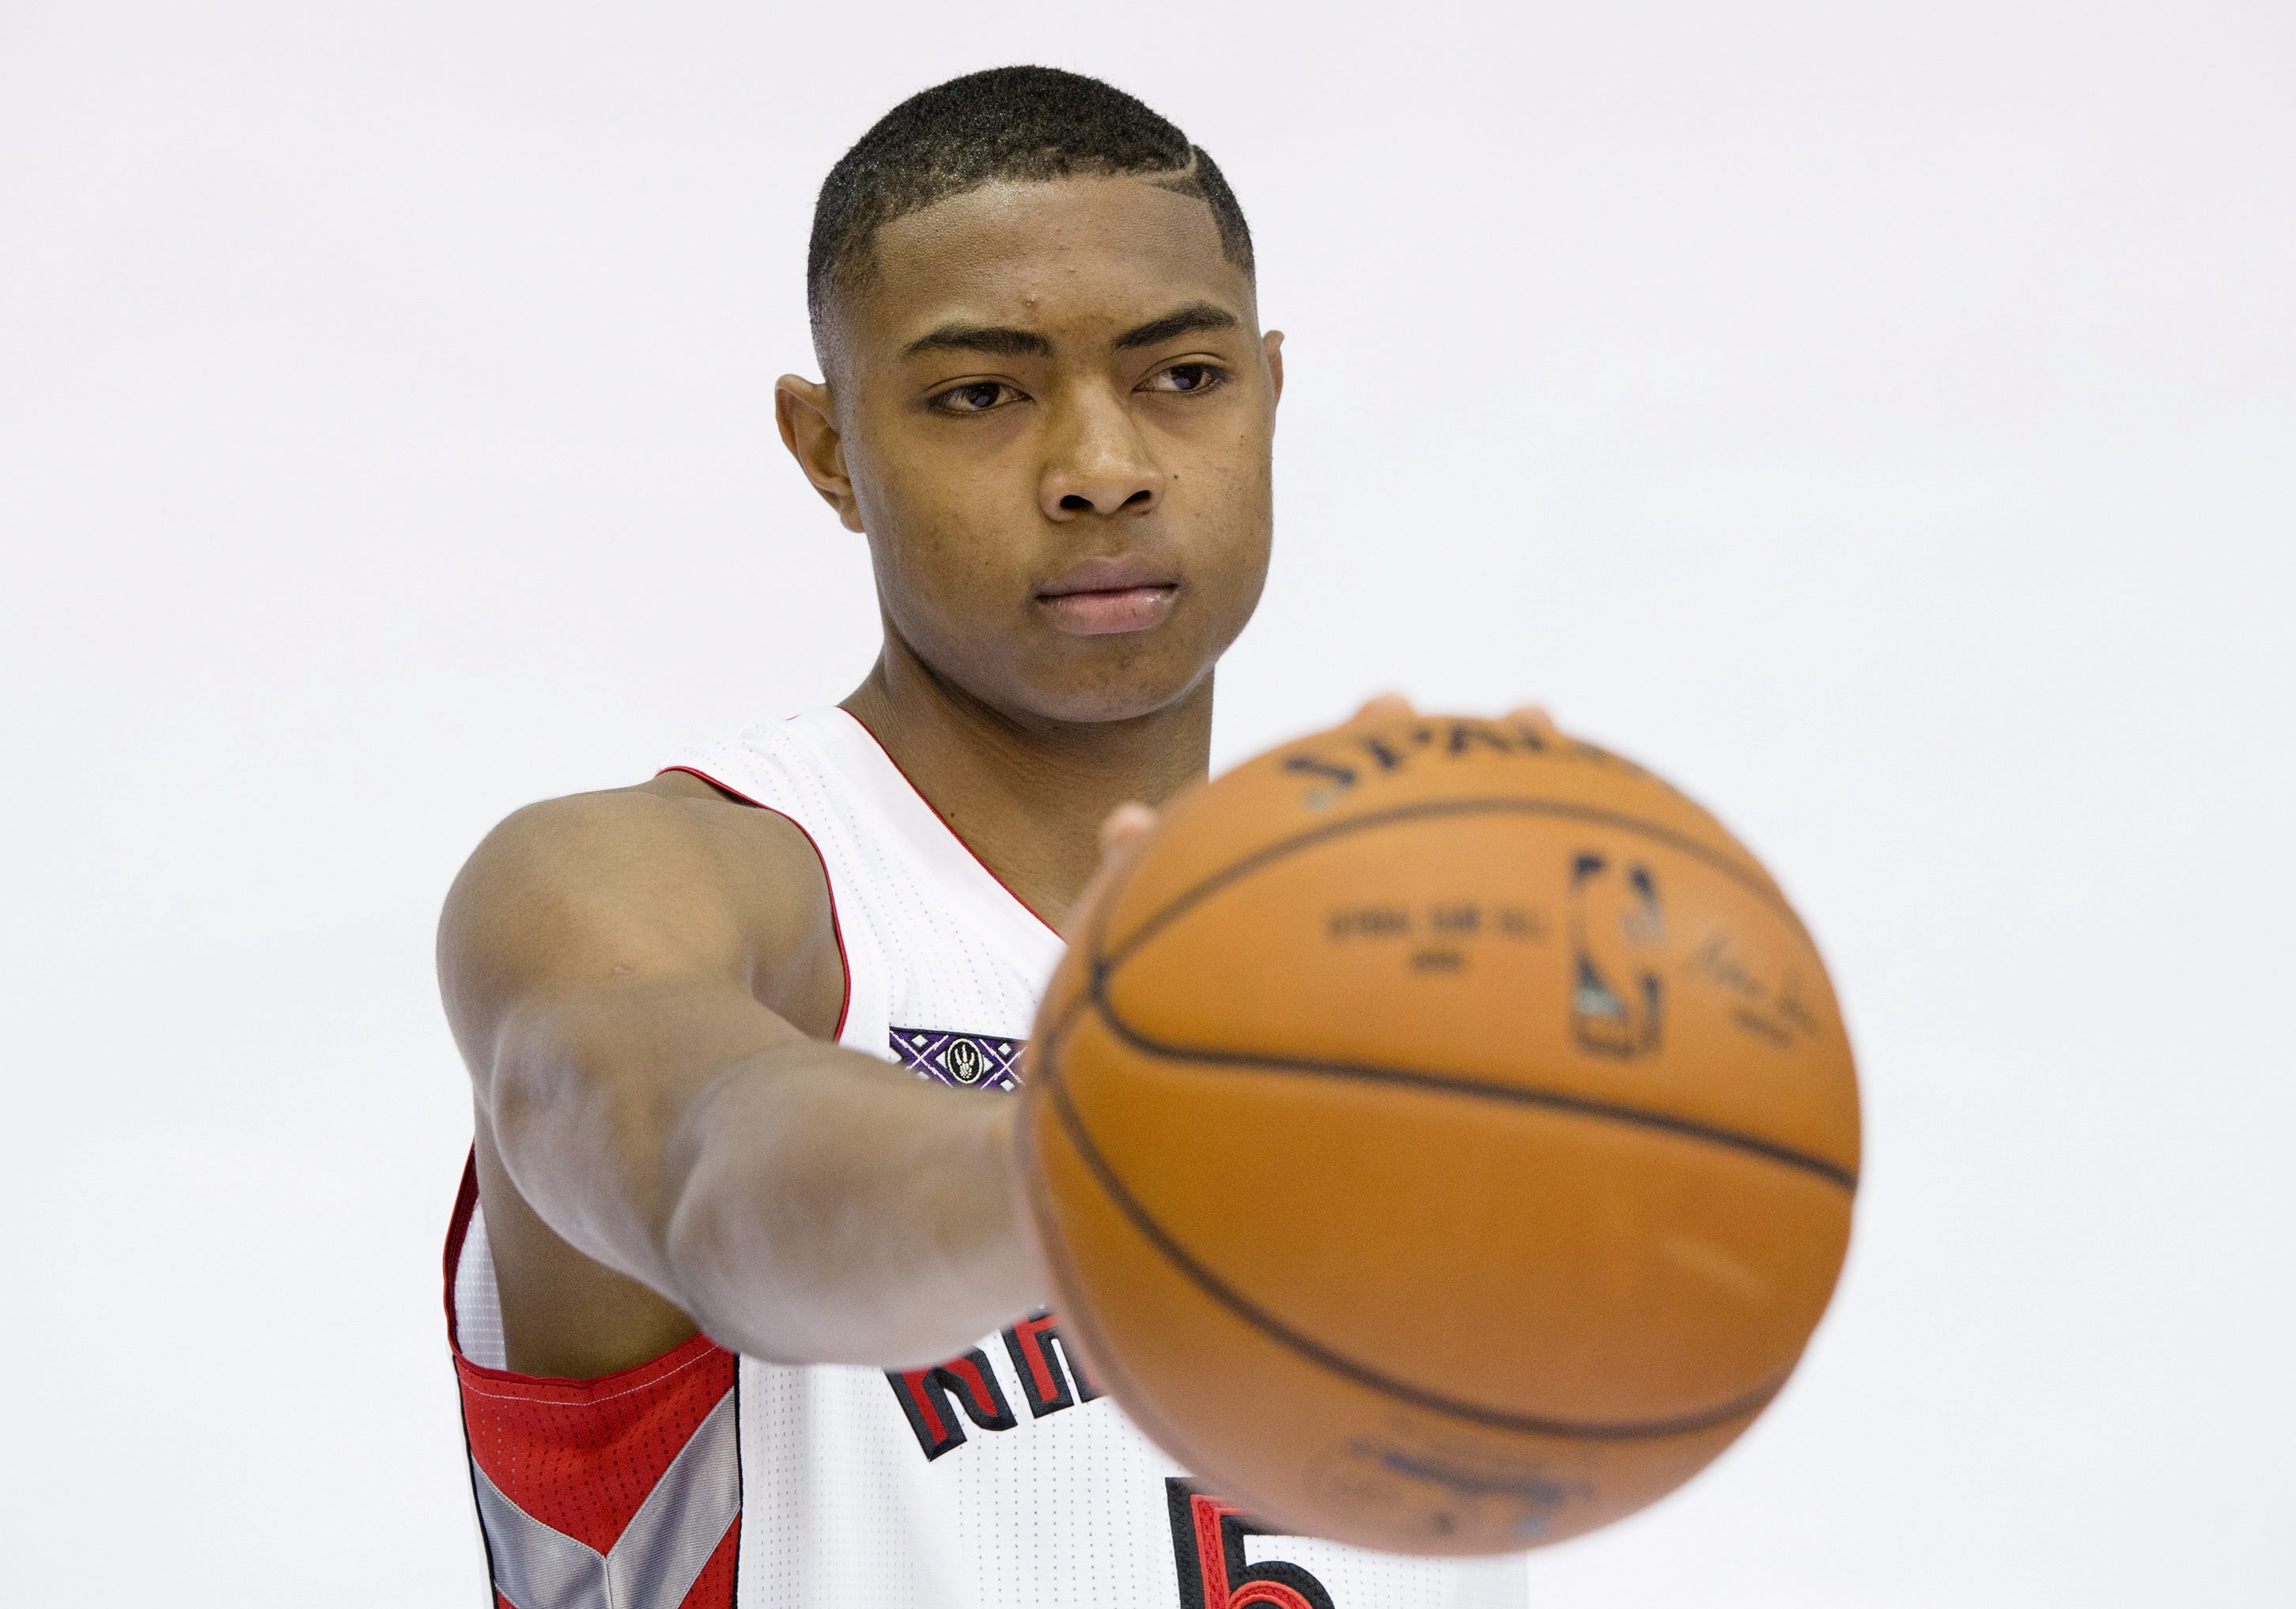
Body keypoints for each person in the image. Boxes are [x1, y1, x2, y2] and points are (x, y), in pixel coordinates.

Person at [438, 66, 1528, 1608]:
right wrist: (1084, 1172)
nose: (1103, 466)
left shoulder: (1411, 962)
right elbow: (692, 1166)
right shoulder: (666, 885)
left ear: (1269, 391)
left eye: (1183, 378)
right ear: (828, 449)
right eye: (980, 394)